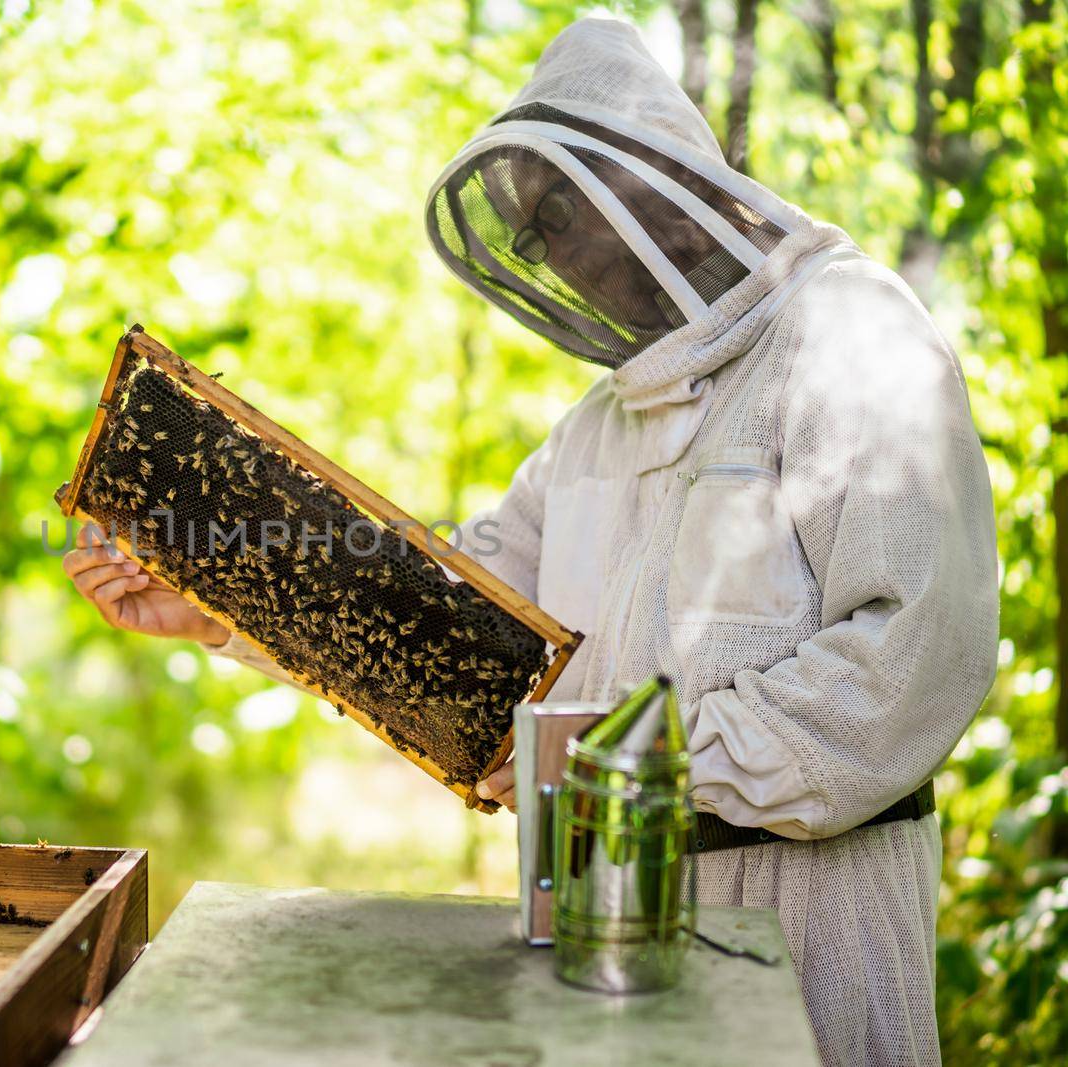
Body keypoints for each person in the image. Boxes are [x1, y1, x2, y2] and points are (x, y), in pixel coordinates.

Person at [63, 17, 998, 1067]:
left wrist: (643, 762)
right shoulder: (597, 426)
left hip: (805, 912)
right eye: (532, 235)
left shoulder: (850, 333)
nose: (551, 254)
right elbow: (441, 615)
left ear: (648, 176)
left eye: (557, 212)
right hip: (586, 905)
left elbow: (919, 652)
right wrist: (219, 600)